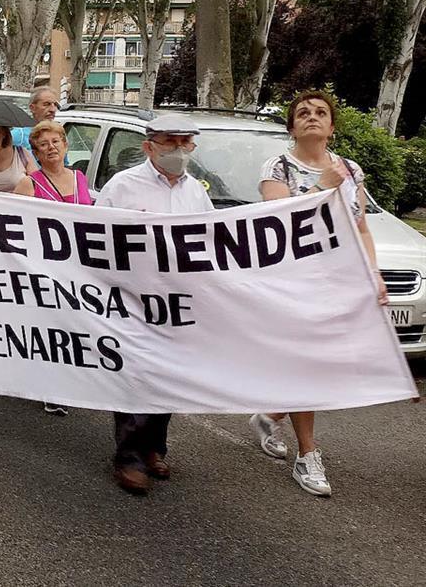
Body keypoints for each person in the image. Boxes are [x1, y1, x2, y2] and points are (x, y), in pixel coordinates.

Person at [246, 91, 388, 497]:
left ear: (331, 126)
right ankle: (308, 455)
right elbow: (279, 221)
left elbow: (360, 227)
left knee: (327, 364)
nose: (312, 117)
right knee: (306, 363)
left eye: (321, 112)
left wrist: (373, 273)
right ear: (292, 126)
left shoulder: (350, 169)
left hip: (337, 282)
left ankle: (272, 414)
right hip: (294, 282)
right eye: (303, 113)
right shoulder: (278, 166)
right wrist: (321, 187)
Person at [94, 114, 212, 495]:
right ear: (149, 146)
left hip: (177, 300)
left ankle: (154, 448)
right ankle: (128, 455)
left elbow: (213, 240)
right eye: (169, 142)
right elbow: (94, 237)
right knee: (135, 374)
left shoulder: (196, 192)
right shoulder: (123, 186)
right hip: (132, 298)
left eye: (185, 142)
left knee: (166, 373)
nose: (178, 150)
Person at [24, 119, 92, 416]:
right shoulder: (29, 183)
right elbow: (11, 223)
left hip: (78, 263)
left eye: (55, 142)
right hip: (44, 265)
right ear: (36, 153)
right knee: (49, 326)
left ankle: (71, 381)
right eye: (43, 145)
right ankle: (50, 388)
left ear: (66, 145)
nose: (50, 148)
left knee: (73, 324)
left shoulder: (80, 178)